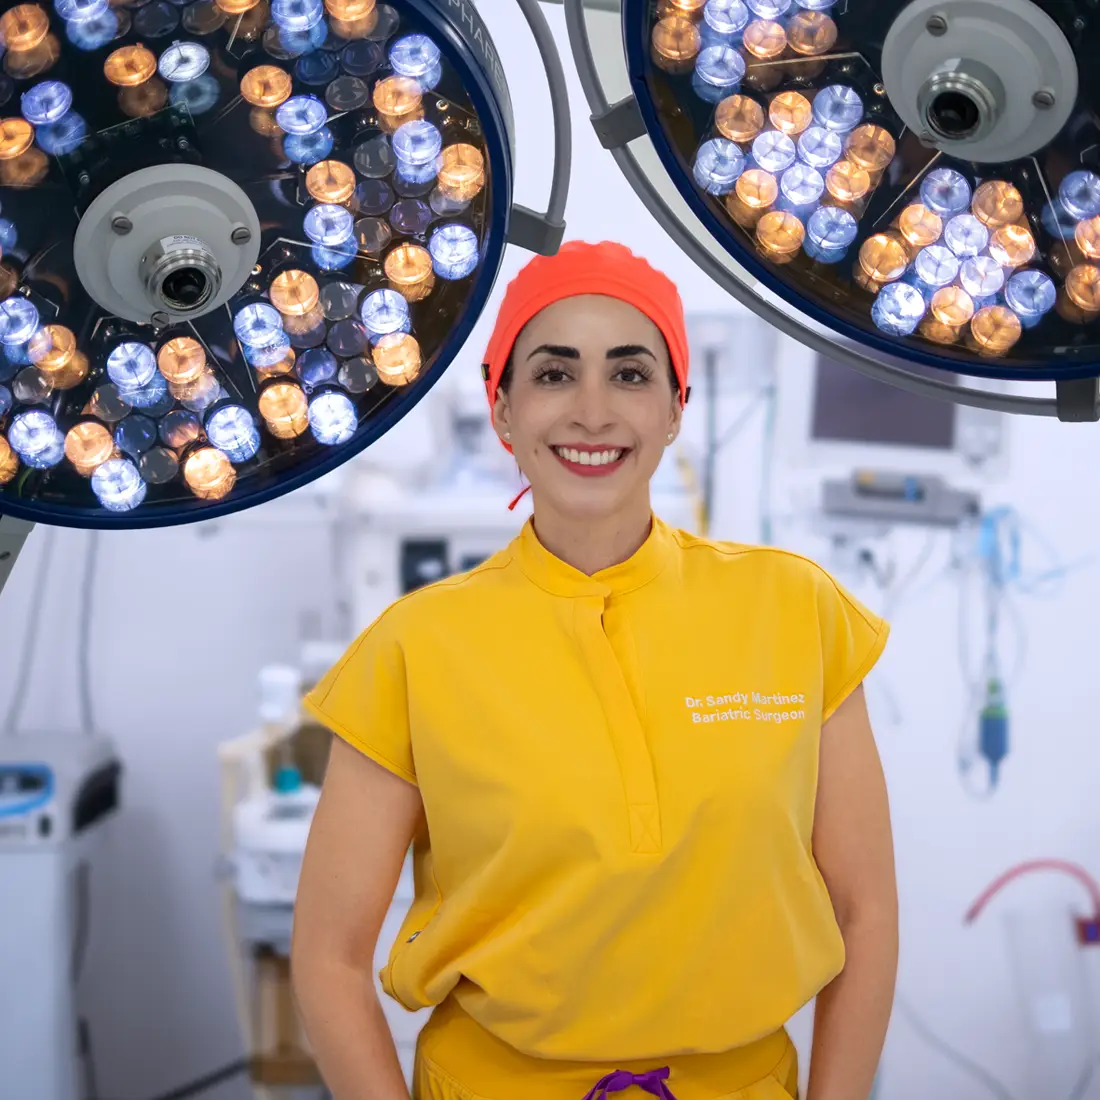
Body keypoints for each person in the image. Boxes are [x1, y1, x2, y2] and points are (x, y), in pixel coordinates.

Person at [291, 241, 898, 1100]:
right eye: (552, 374)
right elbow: (327, 954)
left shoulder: (795, 610)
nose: (591, 412)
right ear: (502, 409)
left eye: (630, 374)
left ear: (677, 406)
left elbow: (865, 915)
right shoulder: (415, 646)